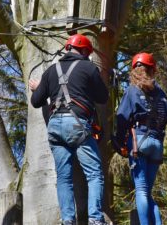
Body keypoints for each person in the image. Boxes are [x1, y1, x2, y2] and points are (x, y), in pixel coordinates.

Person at [29, 34, 109, 225]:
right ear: (83, 51)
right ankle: (95, 219)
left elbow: (36, 101)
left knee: (64, 177)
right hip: (77, 124)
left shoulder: (50, 71)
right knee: (95, 174)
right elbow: (103, 97)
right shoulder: (89, 68)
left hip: (55, 126)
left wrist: (41, 87)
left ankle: (67, 220)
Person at [115, 53, 167, 225]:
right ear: (152, 70)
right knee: (147, 191)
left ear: (134, 70)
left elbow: (122, 116)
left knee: (141, 190)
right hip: (157, 143)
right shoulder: (161, 94)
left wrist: (118, 141)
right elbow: (165, 116)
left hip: (139, 142)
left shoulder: (132, 90)